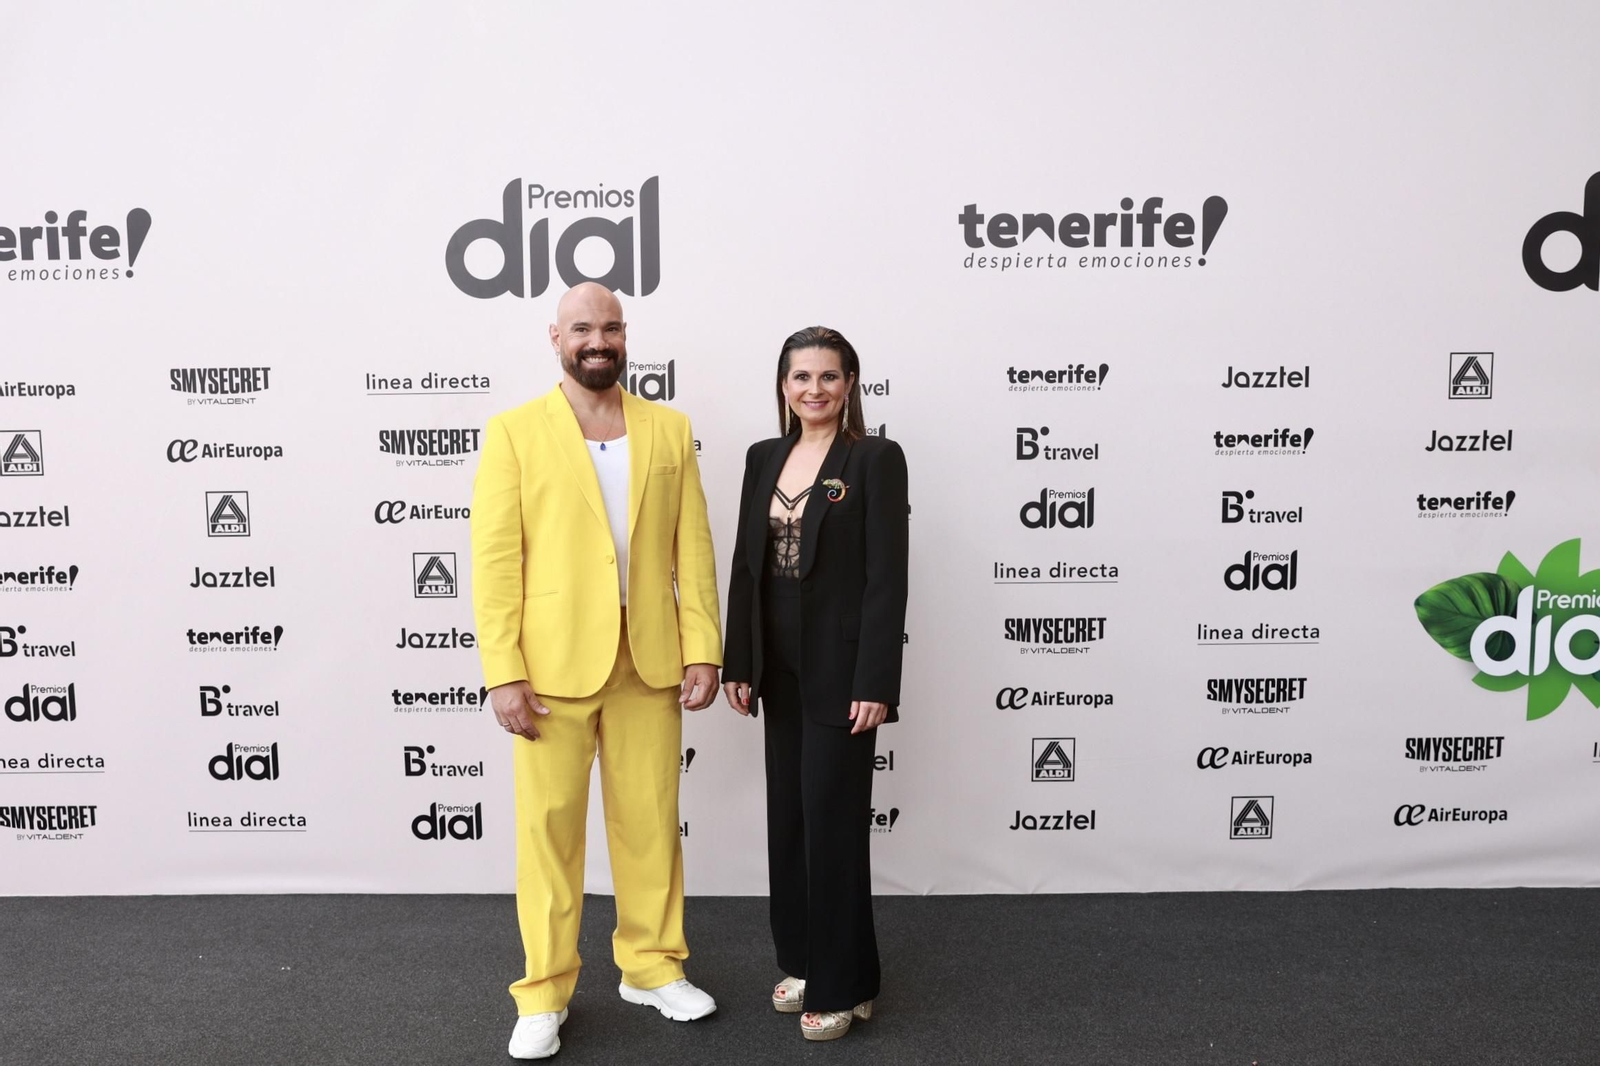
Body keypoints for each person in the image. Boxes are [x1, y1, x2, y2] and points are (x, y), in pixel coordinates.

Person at [471, 282, 723, 1060]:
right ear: (556, 337)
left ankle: (652, 967)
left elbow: (692, 549)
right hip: (549, 671)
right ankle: (543, 993)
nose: (598, 340)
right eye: (582, 328)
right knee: (548, 836)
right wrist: (503, 671)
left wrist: (703, 646)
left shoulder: (669, 429)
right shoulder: (514, 432)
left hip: (648, 661)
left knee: (651, 825)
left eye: (610, 327)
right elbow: (495, 561)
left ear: (624, 335)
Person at [721, 326, 910, 1042]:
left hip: (842, 668)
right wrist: (740, 662)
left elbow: (886, 576)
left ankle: (842, 985)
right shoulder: (762, 457)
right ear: (783, 386)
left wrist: (877, 679)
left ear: (850, 384)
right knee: (792, 821)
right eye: (801, 377)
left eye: (829, 376)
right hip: (777, 664)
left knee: (832, 823)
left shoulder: (875, 458)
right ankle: (807, 962)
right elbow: (746, 565)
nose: (815, 389)